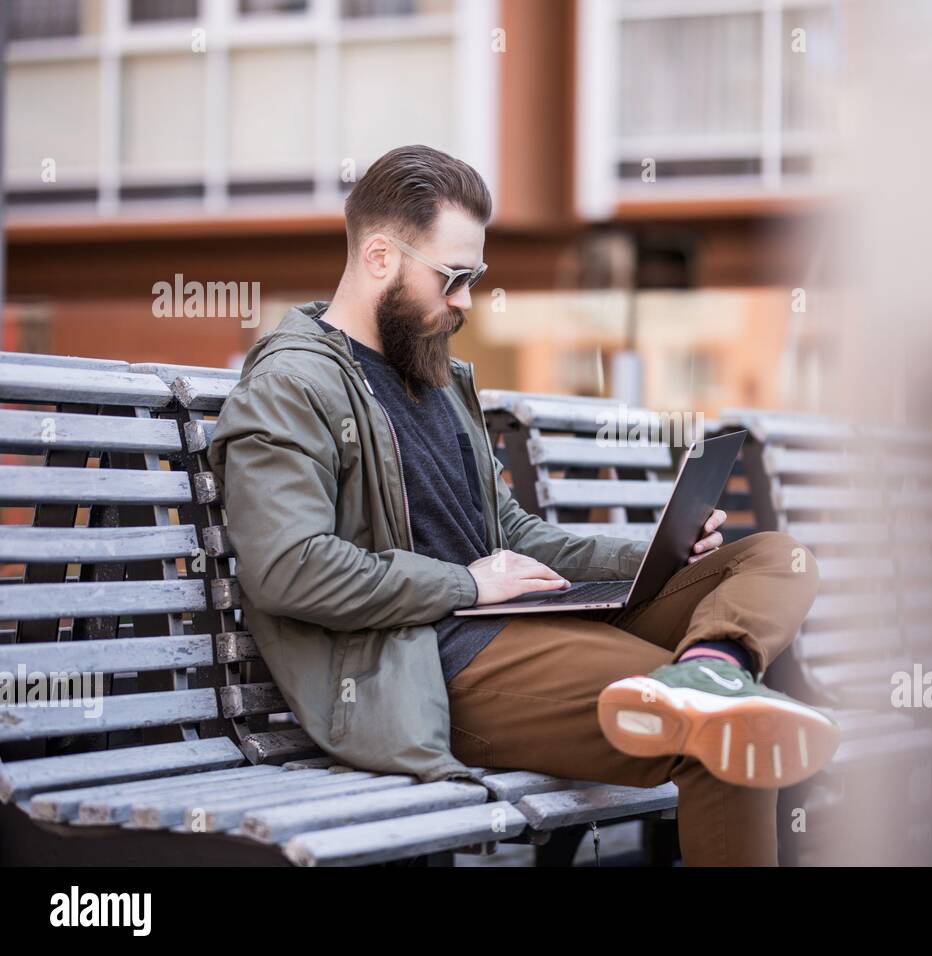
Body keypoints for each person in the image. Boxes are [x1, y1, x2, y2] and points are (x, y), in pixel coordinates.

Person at [209, 144, 839, 866]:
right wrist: (468, 585)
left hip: (527, 623)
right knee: (726, 740)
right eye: (453, 277)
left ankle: (709, 664)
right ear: (380, 256)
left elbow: (511, 532)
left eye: (474, 277)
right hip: (438, 666)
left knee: (774, 557)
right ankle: (712, 694)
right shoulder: (291, 386)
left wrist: (658, 557)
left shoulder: (435, 378)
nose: (466, 300)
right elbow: (288, 569)